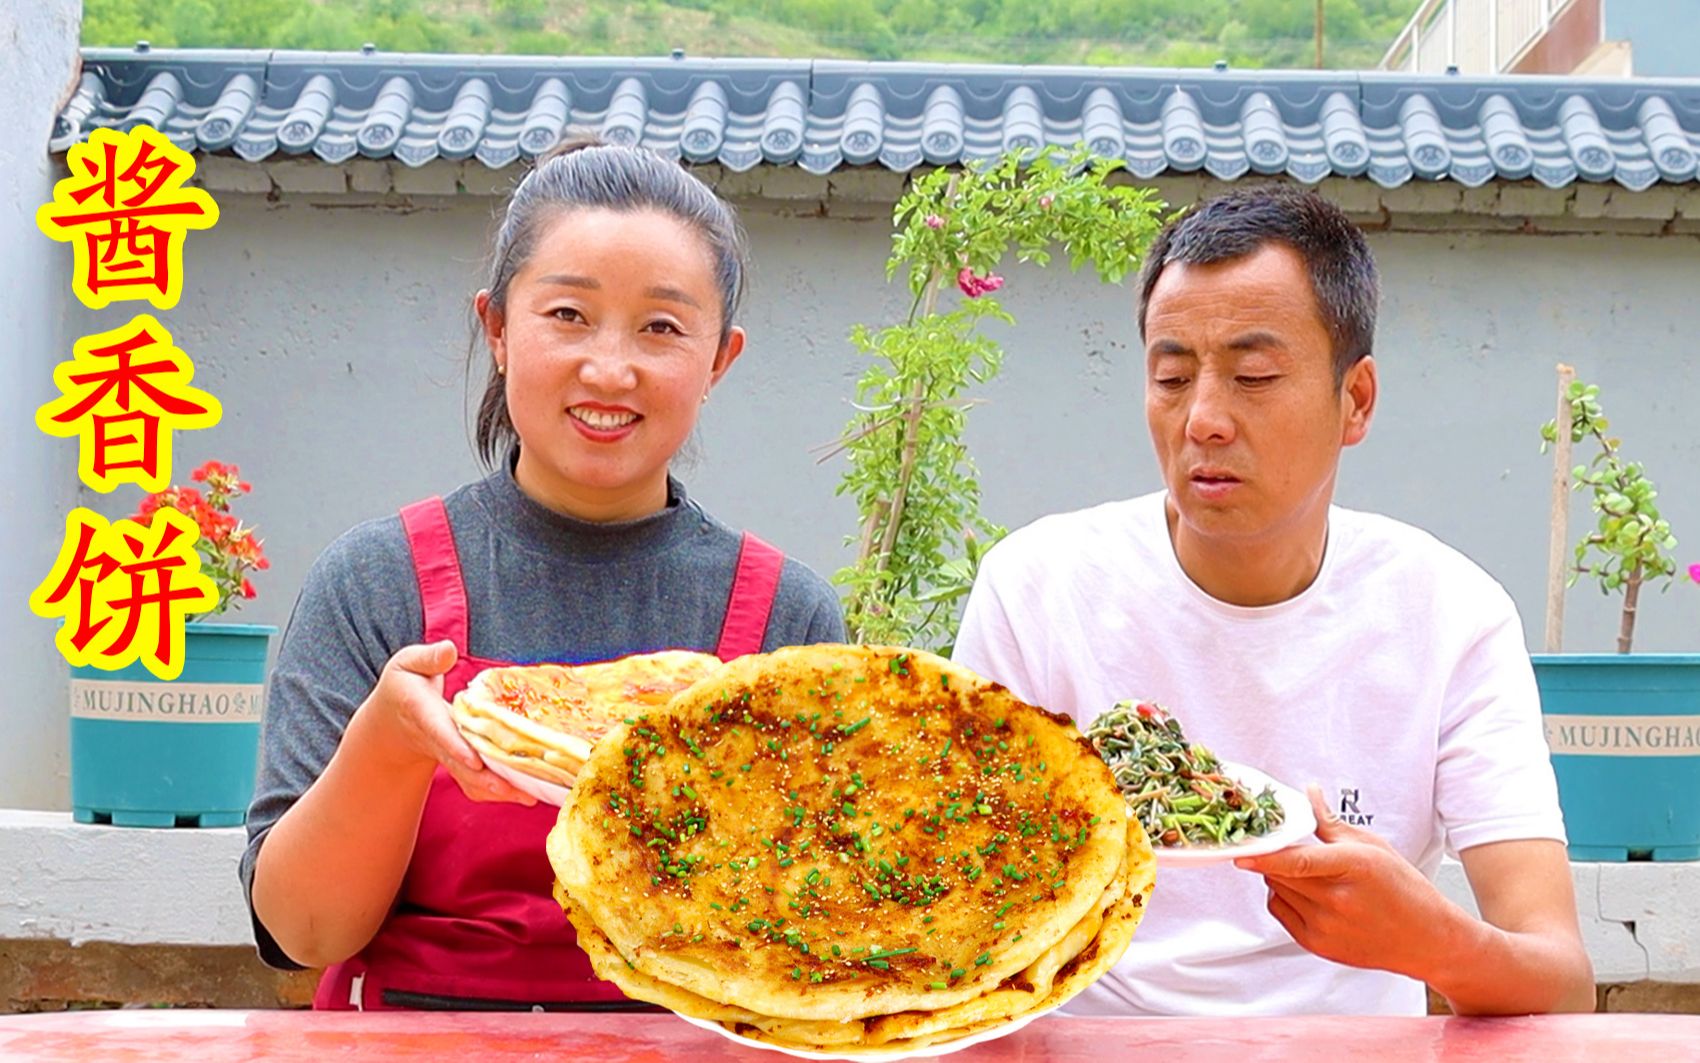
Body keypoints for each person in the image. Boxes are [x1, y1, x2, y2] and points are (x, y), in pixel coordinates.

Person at [952, 185, 1593, 1016]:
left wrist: (1424, 938)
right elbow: (962, 911)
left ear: (1354, 400)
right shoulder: (1038, 587)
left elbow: (1560, 978)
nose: (1204, 420)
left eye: (1254, 375)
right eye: (1172, 376)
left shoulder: (1451, 615)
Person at [241, 142, 845, 1011]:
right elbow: (302, 935)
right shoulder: (378, 582)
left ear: (720, 360)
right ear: (496, 327)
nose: (609, 367)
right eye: (568, 314)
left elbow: (820, 935)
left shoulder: (787, 617)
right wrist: (389, 742)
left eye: (662, 327)